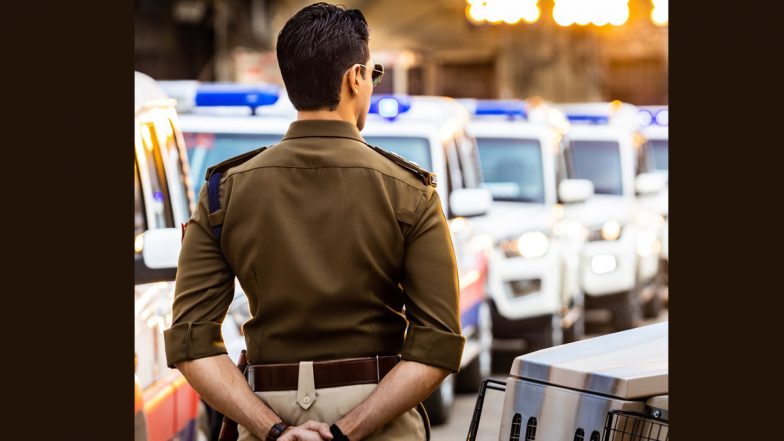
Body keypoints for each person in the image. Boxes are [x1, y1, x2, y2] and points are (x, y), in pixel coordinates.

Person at [163, 3, 464, 440]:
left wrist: (274, 429)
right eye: (373, 75)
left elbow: (192, 344)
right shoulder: (410, 192)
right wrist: (343, 432)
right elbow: (437, 343)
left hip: (266, 408)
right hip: (379, 418)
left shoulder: (222, 192)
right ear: (355, 78)